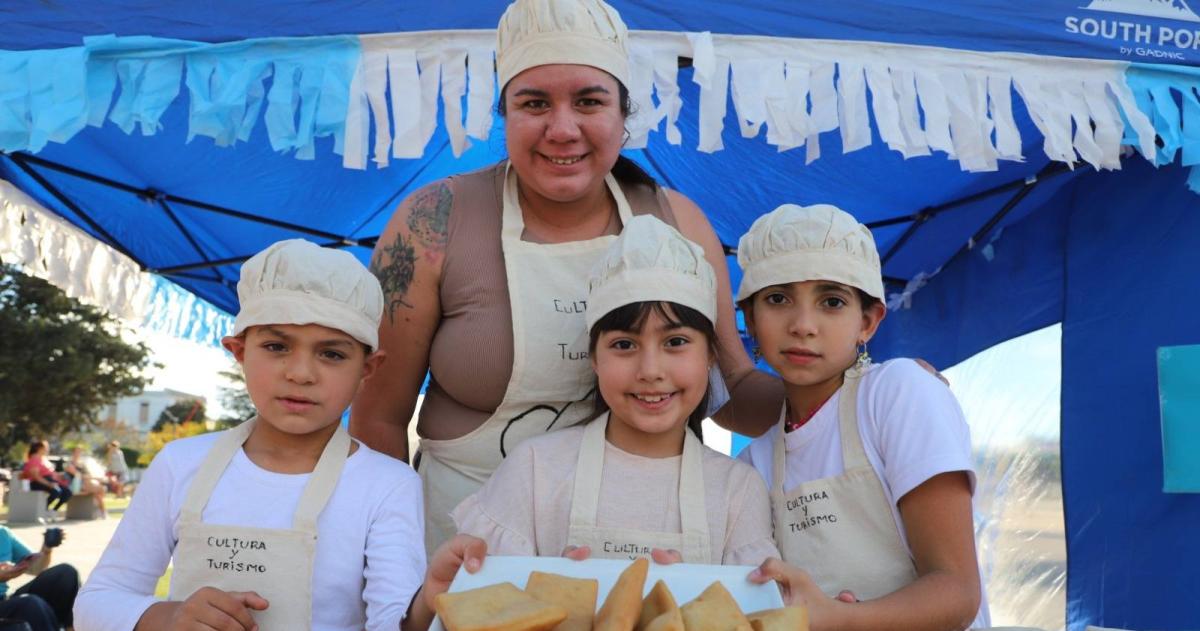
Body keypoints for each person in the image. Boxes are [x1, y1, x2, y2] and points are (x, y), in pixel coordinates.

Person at [350, 0, 782, 556]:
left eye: (588, 101)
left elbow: (732, 391)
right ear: (504, 114)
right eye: (534, 103)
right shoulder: (432, 222)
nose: (562, 128)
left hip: (641, 547)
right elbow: (378, 416)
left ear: (623, 115)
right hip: (462, 546)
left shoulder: (679, 224)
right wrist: (397, 567)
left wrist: (857, 393)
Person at [74, 239, 425, 631]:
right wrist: (171, 616)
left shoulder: (388, 485)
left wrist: (427, 605)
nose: (300, 373)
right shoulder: (180, 464)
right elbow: (97, 601)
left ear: (368, 369)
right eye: (276, 346)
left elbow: (393, 619)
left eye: (332, 354)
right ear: (239, 351)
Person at [451, 216, 779, 565]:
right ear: (594, 358)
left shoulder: (738, 489)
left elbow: (754, 613)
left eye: (676, 342)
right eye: (624, 344)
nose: (650, 371)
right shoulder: (534, 469)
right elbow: (487, 601)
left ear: (710, 356)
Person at [733, 205, 986, 630]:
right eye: (778, 299)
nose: (803, 325)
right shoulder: (753, 465)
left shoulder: (897, 393)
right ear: (750, 321)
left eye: (831, 301)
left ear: (867, 322)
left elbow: (958, 592)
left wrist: (842, 618)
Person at [0, 526, 79, 631]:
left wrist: (47, 548)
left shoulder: (2, 533)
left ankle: (71, 628)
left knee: (65, 574)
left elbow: (35, 568)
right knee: (30, 603)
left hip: (3, 601)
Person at [20, 442, 70, 513]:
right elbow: (36, 477)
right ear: (39, 449)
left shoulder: (43, 459)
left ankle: (53, 511)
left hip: (49, 481)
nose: (47, 450)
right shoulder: (34, 459)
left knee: (67, 492)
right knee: (56, 491)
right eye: (46, 448)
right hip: (36, 483)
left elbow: (50, 473)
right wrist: (49, 484)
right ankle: (42, 509)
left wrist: (59, 477)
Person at [65, 446, 107, 519]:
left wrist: (91, 477)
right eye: (76, 452)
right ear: (73, 453)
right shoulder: (69, 464)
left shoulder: (82, 464)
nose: (78, 454)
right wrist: (93, 477)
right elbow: (78, 475)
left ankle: (102, 511)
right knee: (101, 489)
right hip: (76, 486)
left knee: (98, 492)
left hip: (86, 483)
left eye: (79, 452)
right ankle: (102, 511)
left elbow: (88, 474)